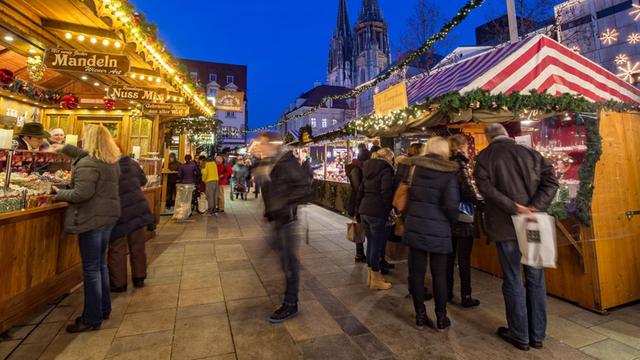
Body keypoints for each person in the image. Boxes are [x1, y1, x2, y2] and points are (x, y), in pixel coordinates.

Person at [474, 124, 559, 351]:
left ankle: (520, 335)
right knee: (536, 278)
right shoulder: (531, 153)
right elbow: (552, 182)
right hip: (532, 223)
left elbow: (486, 190)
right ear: (507, 134)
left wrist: (514, 207)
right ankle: (537, 335)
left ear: (488, 137)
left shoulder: (484, 158)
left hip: (504, 227)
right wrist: (533, 208)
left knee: (512, 279)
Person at [52, 125, 121, 333]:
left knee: (91, 269)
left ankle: (91, 318)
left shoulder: (89, 163)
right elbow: (85, 158)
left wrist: (59, 193)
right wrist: (64, 147)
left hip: (91, 218)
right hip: (108, 217)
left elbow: (82, 194)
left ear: (89, 141)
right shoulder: (110, 161)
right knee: (100, 265)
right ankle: (103, 308)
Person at [251, 132, 313, 323]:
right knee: (283, 258)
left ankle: (290, 303)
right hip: (278, 218)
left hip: (287, 219)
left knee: (289, 262)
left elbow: (305, 189)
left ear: (272, 144)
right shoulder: (272, 162)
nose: (259, 147)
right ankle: (290, 288)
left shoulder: (286, 163)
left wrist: (282, 204)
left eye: (262, 143)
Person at [403, 137, 460, 331]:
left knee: (416, 273)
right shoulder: (449, 173)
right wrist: (450, 222)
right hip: (439, 228)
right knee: (439, 275)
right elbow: (452, 206)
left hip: (416, 224)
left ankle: (420, 315)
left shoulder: (415, 169)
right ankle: (441, 317)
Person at [108, 143, 154, 292]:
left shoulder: (107, 165)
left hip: (119, 210)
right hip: (137, 209)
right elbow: (143, 181)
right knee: (138, 246)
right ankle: (139, 277)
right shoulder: (132, 163)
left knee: (117, 248)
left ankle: (119, 283)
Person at [446, 135, 481, 308]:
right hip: (463, 216)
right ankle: (466, 296)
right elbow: (467, 189)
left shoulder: (445, 163)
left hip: (448, 216)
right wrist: (476, 200)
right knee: (464, 259)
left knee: (449, 258)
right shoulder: (459, 164)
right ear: (461, 147)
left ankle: (447, 292)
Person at [395, 143, 432, 300]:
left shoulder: (403, 166)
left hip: (407, 213)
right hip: (419, 214)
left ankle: (414, 288)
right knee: (420, 257)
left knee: (414, 255)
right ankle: (418, 290)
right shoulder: (418, 168)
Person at [357, 147, 395, 290]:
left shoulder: (367, 168)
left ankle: (371, 277)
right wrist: (386, 212)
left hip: (365, 210)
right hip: (377, 212)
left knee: (371, 244)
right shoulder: (385, 170)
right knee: (377, 246)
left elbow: (361, 190)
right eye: (391, 158)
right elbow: (386, 192)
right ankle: (376, 279)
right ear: (387, 157)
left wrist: (358, 209)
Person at [346, 144, 370, 263]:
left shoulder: (357, 167)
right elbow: (357, 187)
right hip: (358, 201)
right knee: (360, 227)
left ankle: (360, 254)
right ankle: (359, 254)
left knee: (360, 226)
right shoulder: (357, 169)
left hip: (359, 201)